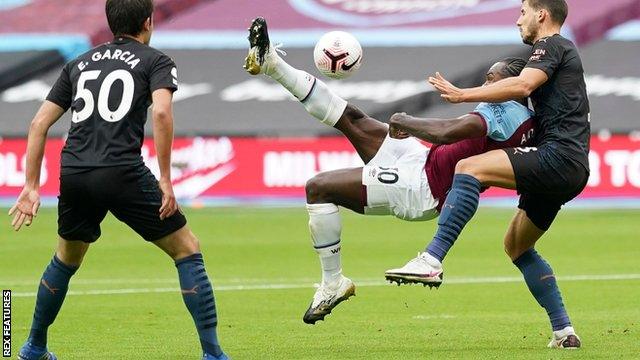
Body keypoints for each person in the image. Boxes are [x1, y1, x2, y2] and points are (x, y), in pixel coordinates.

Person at [243, 17, 535, 325]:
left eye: (493, 80)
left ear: (512, 85)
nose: (486, 86)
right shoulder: (525, 117)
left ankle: (332, 284)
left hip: (420, 187)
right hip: (420, 160)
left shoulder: (503, 109)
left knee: (318, 188)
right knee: (352, 117)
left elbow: (450, 130)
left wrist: (403, 120)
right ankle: (272, 63)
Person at [9, 1, 228, 359]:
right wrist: (167, 181)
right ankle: (213, 354)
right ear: (148, 21)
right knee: (187, 249)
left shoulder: (79, 63)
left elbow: (38, 125)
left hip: (76, 171)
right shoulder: (156, 61)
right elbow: (160, 111)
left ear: (111, 23)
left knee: (65, 259)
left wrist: (31, 186)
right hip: (122, 170)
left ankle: (34, 347)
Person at [387, 0, 589, 349]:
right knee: (516, 245)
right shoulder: (556, 55)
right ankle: (564, 332)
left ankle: (431, 259)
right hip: (569, 167)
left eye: (523, 12)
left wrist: (464, 94)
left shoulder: (552, 44)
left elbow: (523, 85)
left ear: (541, 14)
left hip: (559, 156)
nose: (517, 20)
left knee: (469, 168)